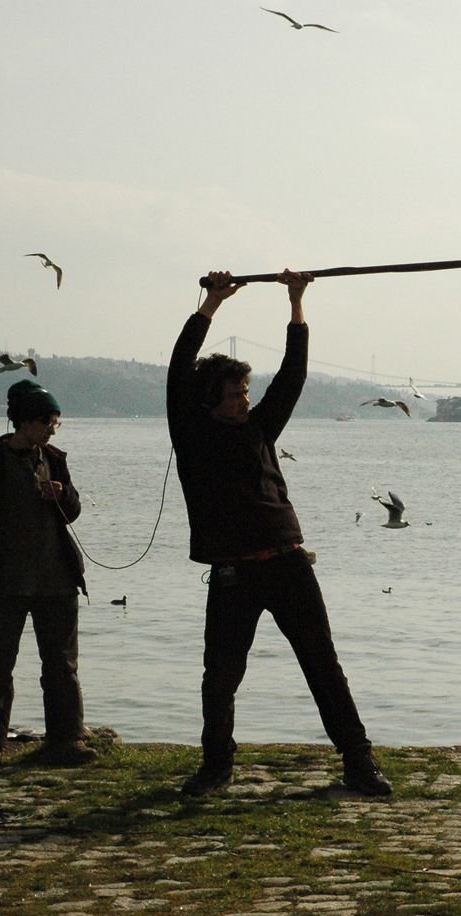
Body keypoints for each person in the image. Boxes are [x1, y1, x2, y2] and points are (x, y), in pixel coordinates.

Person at [166, 269, 391, 798]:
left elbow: (292, 378)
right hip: (233, 573)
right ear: (208, 401)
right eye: (234, 394)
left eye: (246, 391)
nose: (245, 400)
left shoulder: (261, 429)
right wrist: (211, 305)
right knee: (220, 676)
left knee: (322, 666)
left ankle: (359, 763)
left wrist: (296, 304)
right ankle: (215, 767)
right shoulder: (191, 432)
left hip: (289, 563)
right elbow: (178, 371)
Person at [0, 379, 96, 773]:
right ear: (25, 422)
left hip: (57, 582)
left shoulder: (54, 458)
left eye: (56, 421)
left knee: (62, 666)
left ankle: (66, 740)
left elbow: (73, 510)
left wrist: (61, 494)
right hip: (5, 583)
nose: (54, 427)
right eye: (49, 421)